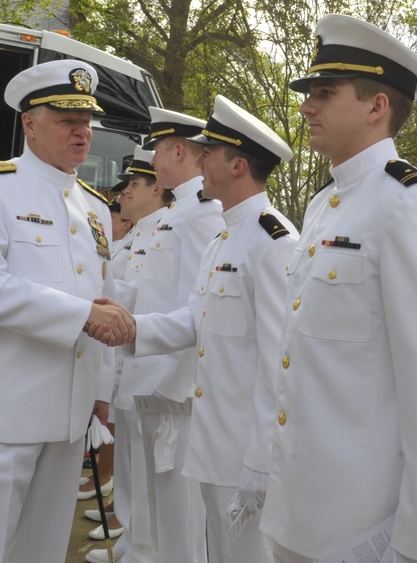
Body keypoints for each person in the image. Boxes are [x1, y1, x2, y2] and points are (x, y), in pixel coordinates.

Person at [258, 15, 417, 563]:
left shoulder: (412, 203)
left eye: (325, 93)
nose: (306, 107)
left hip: (361, 528)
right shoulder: (325, 204)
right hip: (296, 506)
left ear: (377, 107)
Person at [0, 60, 132, 562]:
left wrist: (101, 393)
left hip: (66, 419)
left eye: (86, 121)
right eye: (67, 119)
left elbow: (104, 297)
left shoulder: (93, 207)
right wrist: (81, 315)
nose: (82, 132)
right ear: (28, 122)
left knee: (40, 555)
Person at [101, 94, 299, 563]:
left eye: (209, 153)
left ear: (238, 165)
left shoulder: (274, 242)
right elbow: (194, 319)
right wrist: (132, 330)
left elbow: (279, 359)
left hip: (244, 447)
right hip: (213, 439)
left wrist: (262, 458)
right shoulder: (223, 240)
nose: (200, 160)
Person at [88, 107, 222, 563]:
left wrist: (176, 387)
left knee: (179, 517)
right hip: (149, 376)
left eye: (159, 150)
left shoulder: (202, 212)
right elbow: (147, 293)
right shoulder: (178, 213)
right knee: (156, 505)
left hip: (173, 389)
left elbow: (198, 312)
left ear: (178, 151)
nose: (152, 160)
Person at [85, 144, 172, 562]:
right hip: (128, 353)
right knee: (135, 463)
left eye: (133, 185)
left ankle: (141, 544)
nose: (123, 195)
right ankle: (133, 539)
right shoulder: (140, 233)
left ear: (156, 188)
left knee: (147, 467)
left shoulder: (168, 229)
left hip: (151, 356)